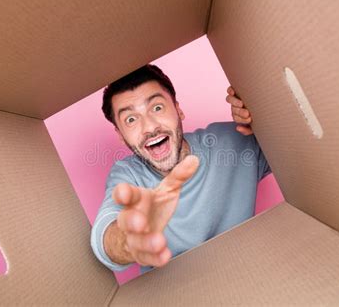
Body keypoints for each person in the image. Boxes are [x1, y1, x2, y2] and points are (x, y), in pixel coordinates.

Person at [91, 64, 271, 274]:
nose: (149, 127)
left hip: (247, 278)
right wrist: (131, 239)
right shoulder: (128, 176)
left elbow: (299, 148)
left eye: (157, 107)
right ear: (121, 136)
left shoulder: (233, 141)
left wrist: (262, 113)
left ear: (178, 110)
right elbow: (105, 235)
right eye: (131, 119)